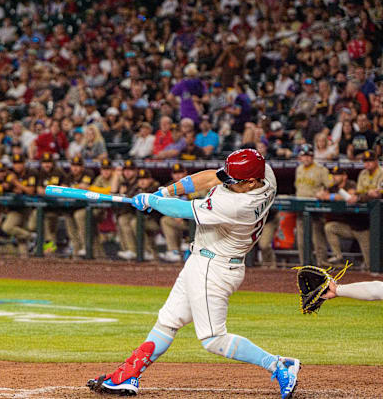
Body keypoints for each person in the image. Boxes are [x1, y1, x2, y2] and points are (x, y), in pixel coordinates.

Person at [89, 149, 300, 399]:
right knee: (168, 321)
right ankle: (128, 375)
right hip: (202, 261)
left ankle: (278, 365)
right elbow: (211, 178)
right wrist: (163, 193)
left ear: (252, 182)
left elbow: (184, 211)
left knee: (213, 338)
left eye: (235, 182)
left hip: (214, 269)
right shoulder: (265, 174)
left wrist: (153, 202)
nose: (229, 184)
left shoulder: (237, 205)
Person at [318, 164, 369, 269]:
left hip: (362, 228)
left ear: (344, 176)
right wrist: (325, 195)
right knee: (330, 227)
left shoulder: (351, 184)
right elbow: (320, 194)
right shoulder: (333, 187)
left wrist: (331, 196)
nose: (334, 177)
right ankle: (338, 257)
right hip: (348, 227)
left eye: (337, 175)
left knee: (371, 263)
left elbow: (350, 196)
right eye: (333, 175)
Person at [294, 144, 333, 266]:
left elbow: (331, 186)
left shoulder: (321, 170)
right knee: (301, 242)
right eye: (303, 156)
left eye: (308, 155)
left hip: (315, 210)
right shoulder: (298, 169)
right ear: (300, 157)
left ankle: (323, 266)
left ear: (312, 156)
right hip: (301, 210)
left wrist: (324, 192)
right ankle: (304, 266)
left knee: (318, 241)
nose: (306, 158)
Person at [72, 158, 114, 258]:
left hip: (115, 211)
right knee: (82, 217)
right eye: (104, 169)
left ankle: (93, 251)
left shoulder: (116, 177)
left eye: (108, 169)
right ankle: (91, 250)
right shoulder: (99, 178)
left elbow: (110, 191)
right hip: (99, 209)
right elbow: (93, 193)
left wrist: (89, 188)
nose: (106, 171)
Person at [0, 153, 37, 256]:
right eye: (15, 163)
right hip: (15, 208)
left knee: (22, 233)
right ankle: (32, 237)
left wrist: (16, 183)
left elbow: (30, 191)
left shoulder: (30, 173)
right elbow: (4, 187)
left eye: (20, 163)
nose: (18, 166)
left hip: (29, 207)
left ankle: (26, 257)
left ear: (24, 163)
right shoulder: (10, 174)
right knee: (8, 228)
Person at [36, 152, 68, 254]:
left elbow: (64, 189)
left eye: (49, 162)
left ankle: (50, 253)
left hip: (56, 207)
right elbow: (38, 190)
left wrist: (46, 191)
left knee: (50, 229)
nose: (47, 164)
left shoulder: (58, 172)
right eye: (45, 162)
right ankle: (49, 250)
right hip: (43, 208)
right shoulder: (40, 173)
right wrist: (50, 191)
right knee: (42, 226)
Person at [66, 155, 95, 257]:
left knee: (79, 216)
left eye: (78, 166)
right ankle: (76, 252)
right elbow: (64, 188)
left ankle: (85, 247)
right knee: (68, 219)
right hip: (73, 207)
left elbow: (84, 188)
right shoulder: (69, 176)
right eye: (73, 165)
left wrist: (73, 188)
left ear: (82, 167)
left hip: (88, 207)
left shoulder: (88, 173)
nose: (75, 168)